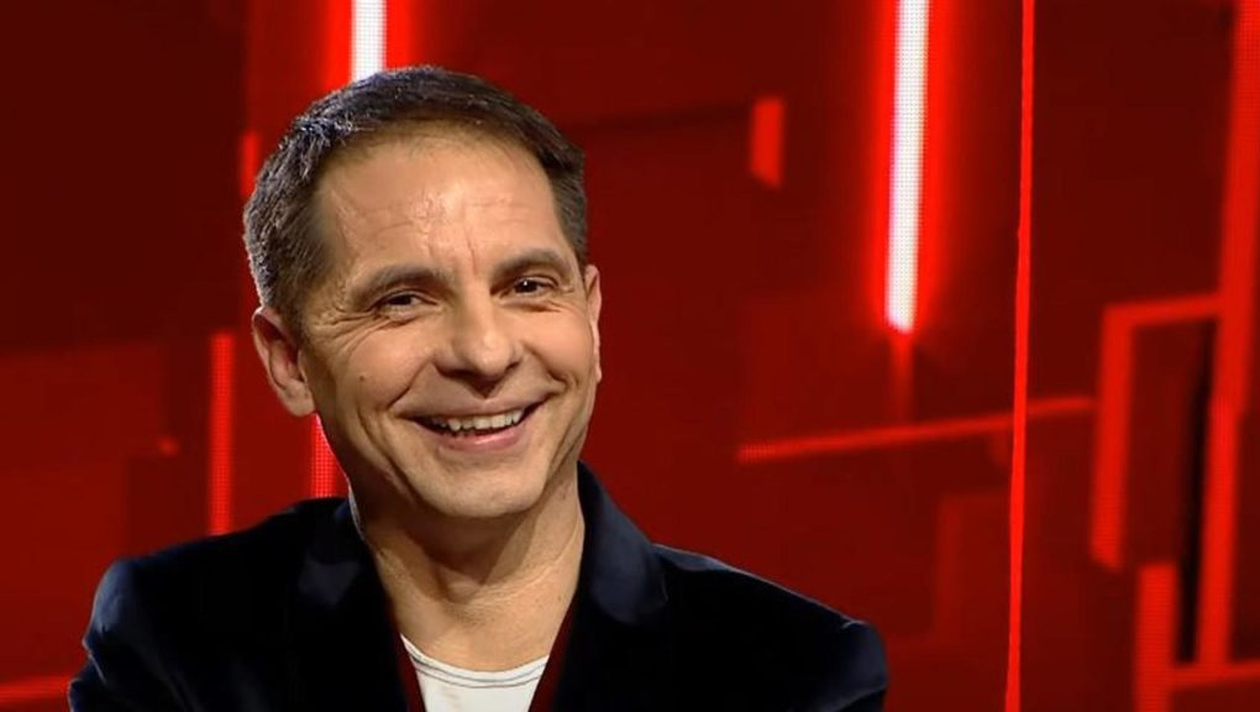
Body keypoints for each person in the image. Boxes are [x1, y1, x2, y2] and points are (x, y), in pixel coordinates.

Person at [69, 66, 887, 711]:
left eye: (528, 286)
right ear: (289, 360)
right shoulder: (182, 643)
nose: (486, 352)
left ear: (591, 318)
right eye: (403, 300)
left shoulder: (794, 674)